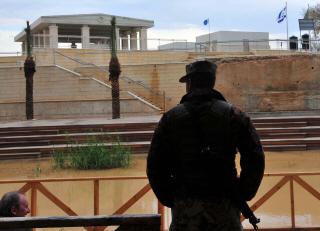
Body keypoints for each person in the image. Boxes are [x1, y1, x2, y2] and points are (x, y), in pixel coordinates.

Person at [147, 60, 265, 231]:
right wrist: (243, 192)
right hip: (225, 204)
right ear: (212, 82)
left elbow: (155, 165)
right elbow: (255, 158)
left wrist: (172, 198)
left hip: (185, 206)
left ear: (190, 83)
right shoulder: (235, 115)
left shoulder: (170, 118)